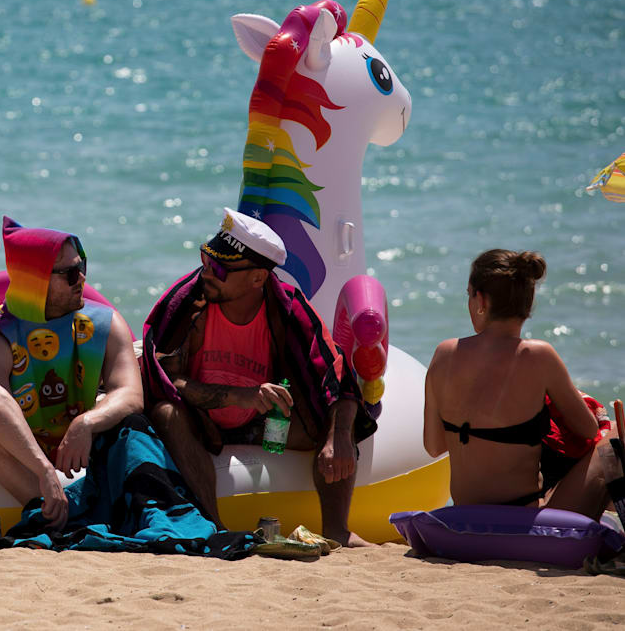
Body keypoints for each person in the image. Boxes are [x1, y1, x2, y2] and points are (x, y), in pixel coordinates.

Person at [140, 209, 377, 547]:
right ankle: (215, 528)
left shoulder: (288, 309)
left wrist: (338, 436)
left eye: (221, 268)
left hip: (264, 426)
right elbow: (165, 379)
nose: (207, 272)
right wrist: (239, 395)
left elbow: (336, 374)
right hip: (202, 423)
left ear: (257, 278)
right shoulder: (189, 303)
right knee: (166, 413)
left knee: (337, 419)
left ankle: (337, 529)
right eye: (206, 259)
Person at [0, 217, 143, 529]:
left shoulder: (104, 324)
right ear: (38, 281)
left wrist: (85, 423)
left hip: (79, 447)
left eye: (82, 266)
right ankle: (58, 516)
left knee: (133, 421)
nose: (81, 279)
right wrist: (42, 469)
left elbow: (131, 393)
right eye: (71, 273)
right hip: (24, 454)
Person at [423, 249, 616, 518]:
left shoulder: (444, 353)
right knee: (616, 434)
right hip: (521, 520)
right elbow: (588, 429)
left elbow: (433, 446)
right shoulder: (539, 356)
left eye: (469, 295)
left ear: (481, 300)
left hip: (465, 517)